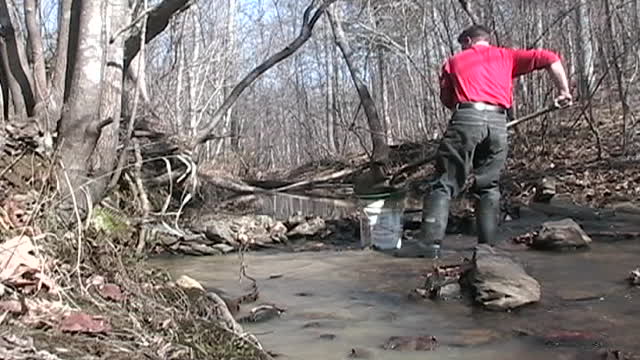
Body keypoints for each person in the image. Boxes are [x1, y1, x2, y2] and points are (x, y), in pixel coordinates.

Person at [398, 25, 572, 258]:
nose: (461, 48)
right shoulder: (507, 56)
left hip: (466, 118)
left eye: (462, 44)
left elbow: (448, 100)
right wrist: (563, 91)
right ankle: (487, 248)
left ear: (469, 41)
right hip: (498, 123)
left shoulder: (453, 62)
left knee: (443, 184)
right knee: (488, 186)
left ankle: (428, 247)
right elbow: (551, 58)